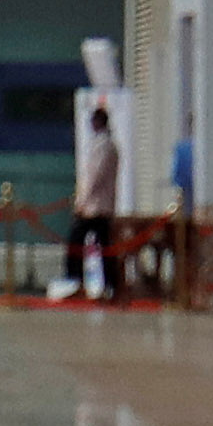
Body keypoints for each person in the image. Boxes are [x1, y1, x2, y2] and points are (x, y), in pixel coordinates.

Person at [67, 94, 125, 302]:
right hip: (100, 204)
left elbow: (94, 177)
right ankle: (105, 284)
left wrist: (81, 201)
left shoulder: (104, 145)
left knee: (79, 242)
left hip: (95, 206)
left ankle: (80, 281)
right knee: (102, 246)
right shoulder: (106, 144)